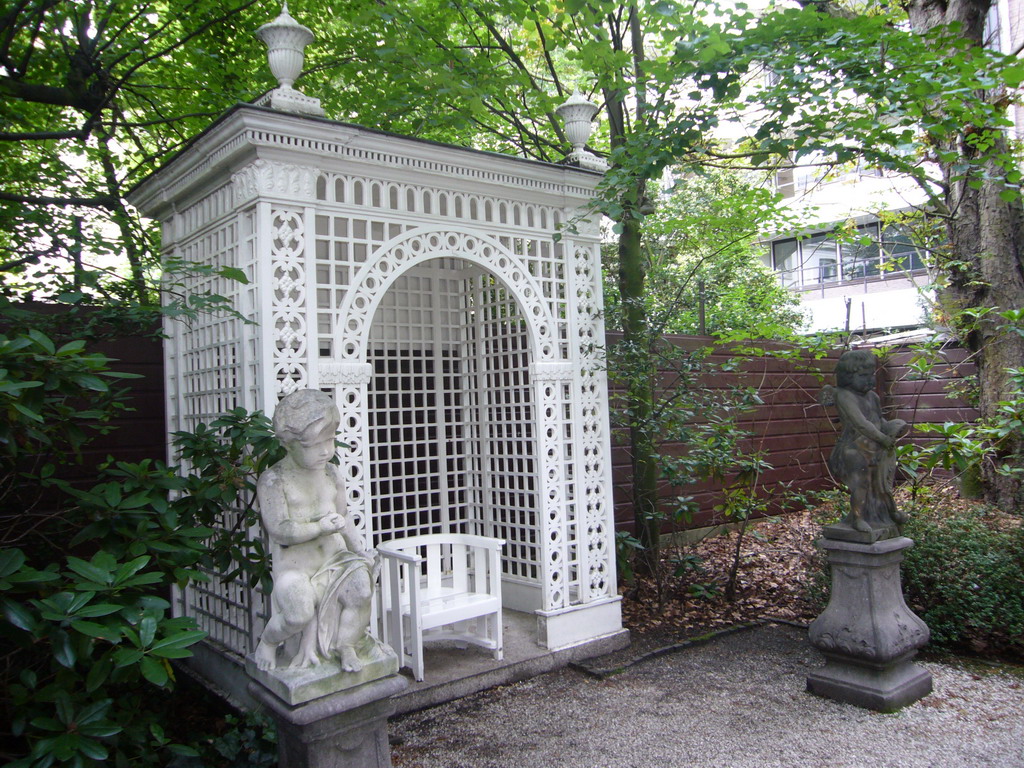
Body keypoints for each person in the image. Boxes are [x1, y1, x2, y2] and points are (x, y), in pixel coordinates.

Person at [253, 389, 375, 672]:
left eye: (330, 440)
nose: (325, 450)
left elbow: (343, 517)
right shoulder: (274, 480)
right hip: (296, 569)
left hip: (335, 559)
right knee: (298, 614)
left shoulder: (332, 473)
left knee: (361, 590)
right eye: (314, 445)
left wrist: (360, 551)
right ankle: (269, 642)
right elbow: (279, 530)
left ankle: (346, 645)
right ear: (289, 444)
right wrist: (319, 526)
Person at [825, 349, 909, 534]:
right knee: (861, 484)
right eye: (863, 376)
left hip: (876, 446)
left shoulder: (873, 397)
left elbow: (878, 420)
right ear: (847, 376)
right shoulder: (844, 395)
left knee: (882, 484)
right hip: (854, 448)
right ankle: (858, 517)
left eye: (871, 375)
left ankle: (890, 511)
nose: (870, 380)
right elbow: (861, 424)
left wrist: (892, 428)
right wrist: (883, 438)